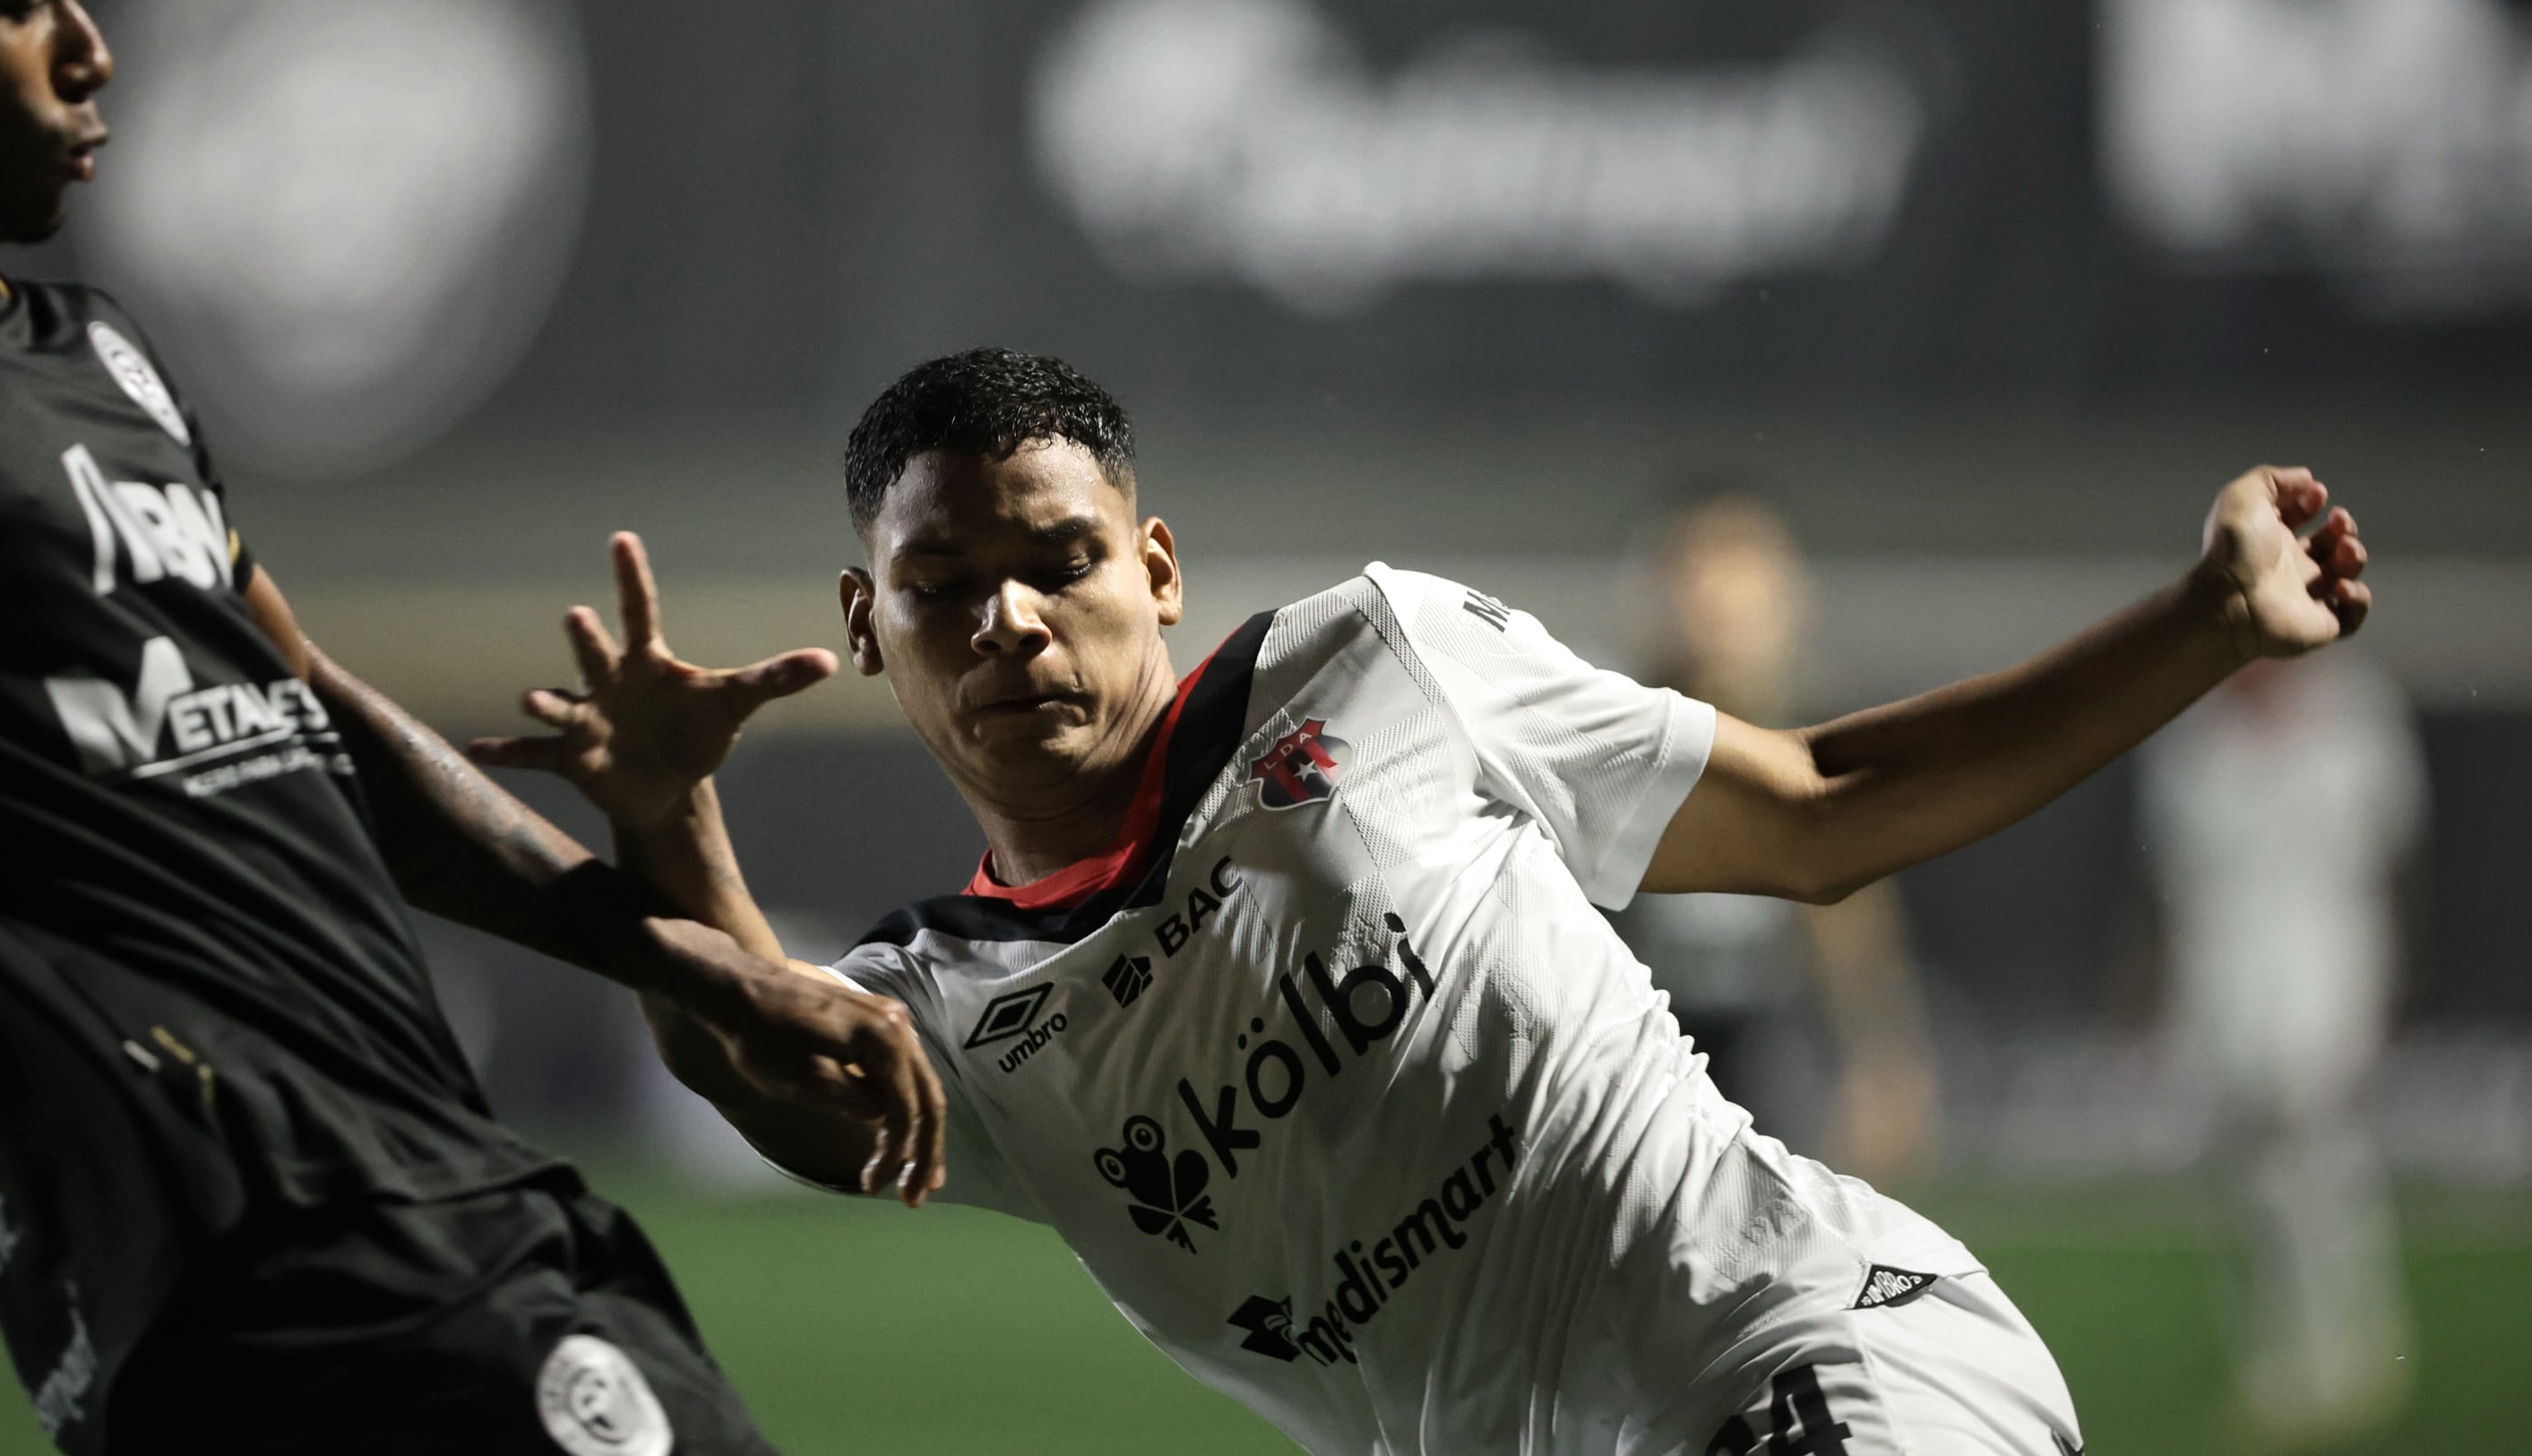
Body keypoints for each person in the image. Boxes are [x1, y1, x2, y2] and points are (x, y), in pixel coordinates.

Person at [483, 348, 2373, 1456]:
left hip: (1824, 1351)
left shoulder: (1376, 667)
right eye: (942, 580)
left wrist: (2204, 620)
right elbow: (777, 1064)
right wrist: (666, 814)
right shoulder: (962, 1013)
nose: (1010, 616)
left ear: (1153, 563)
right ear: (863, 626)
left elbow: (1824, 806)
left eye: (1059, 555)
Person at [0, 0, 943, 1456]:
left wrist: (693, 957)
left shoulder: (99, 360)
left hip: (382, 1241)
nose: (92, 49)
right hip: (317, 1255)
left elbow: (319, 732)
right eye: (24, 0)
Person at [2137, 652, 2426, 1446]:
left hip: (2328, 959)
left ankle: (2351, 1346)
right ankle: (2280, 1348)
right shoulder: (2191, 732)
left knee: (2316, 1150)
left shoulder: (2356, 711)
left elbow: (2388, 858)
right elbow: (2172, 878)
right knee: (2246, 1170)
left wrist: (2391, 981)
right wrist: (2160, 989)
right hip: (2224, 970)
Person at [1607, 492, 1939, 1180]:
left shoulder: (1818, 739)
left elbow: (1848, 911)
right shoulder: (1616, 735)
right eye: (1700, 572)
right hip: (1637, 1052)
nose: (1721, 602)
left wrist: (1882, 1055)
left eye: (1747, 572)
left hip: (1773, 1054)